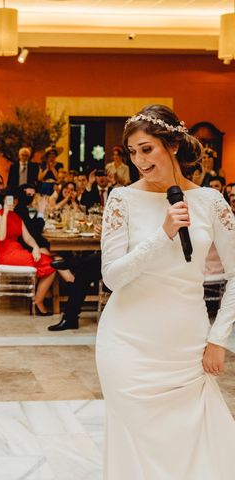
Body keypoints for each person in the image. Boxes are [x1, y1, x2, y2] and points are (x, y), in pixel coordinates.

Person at [96, 104, 235, 479]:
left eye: (147, 149)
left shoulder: (211, 202)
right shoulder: (121, 201)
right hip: (126, 345)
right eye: (133, 152)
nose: (139, 160)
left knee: (191, 447)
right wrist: (162, 236)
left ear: (172, 145)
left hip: (186, 348)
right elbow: (113, 277)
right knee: (135, 445)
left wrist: (218, 338)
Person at [0, 194, 56, 315]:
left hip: (17, 252)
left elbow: (27, 238)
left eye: (15, 200)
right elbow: (0, 237)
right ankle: (38, 301)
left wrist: (35, 247)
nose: (13, 202)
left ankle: (40, 298)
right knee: (52, 265)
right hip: (6, 255)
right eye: (10, 200)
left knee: (48, 260)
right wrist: (5, 212)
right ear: (4, 200)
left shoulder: (16, 216)